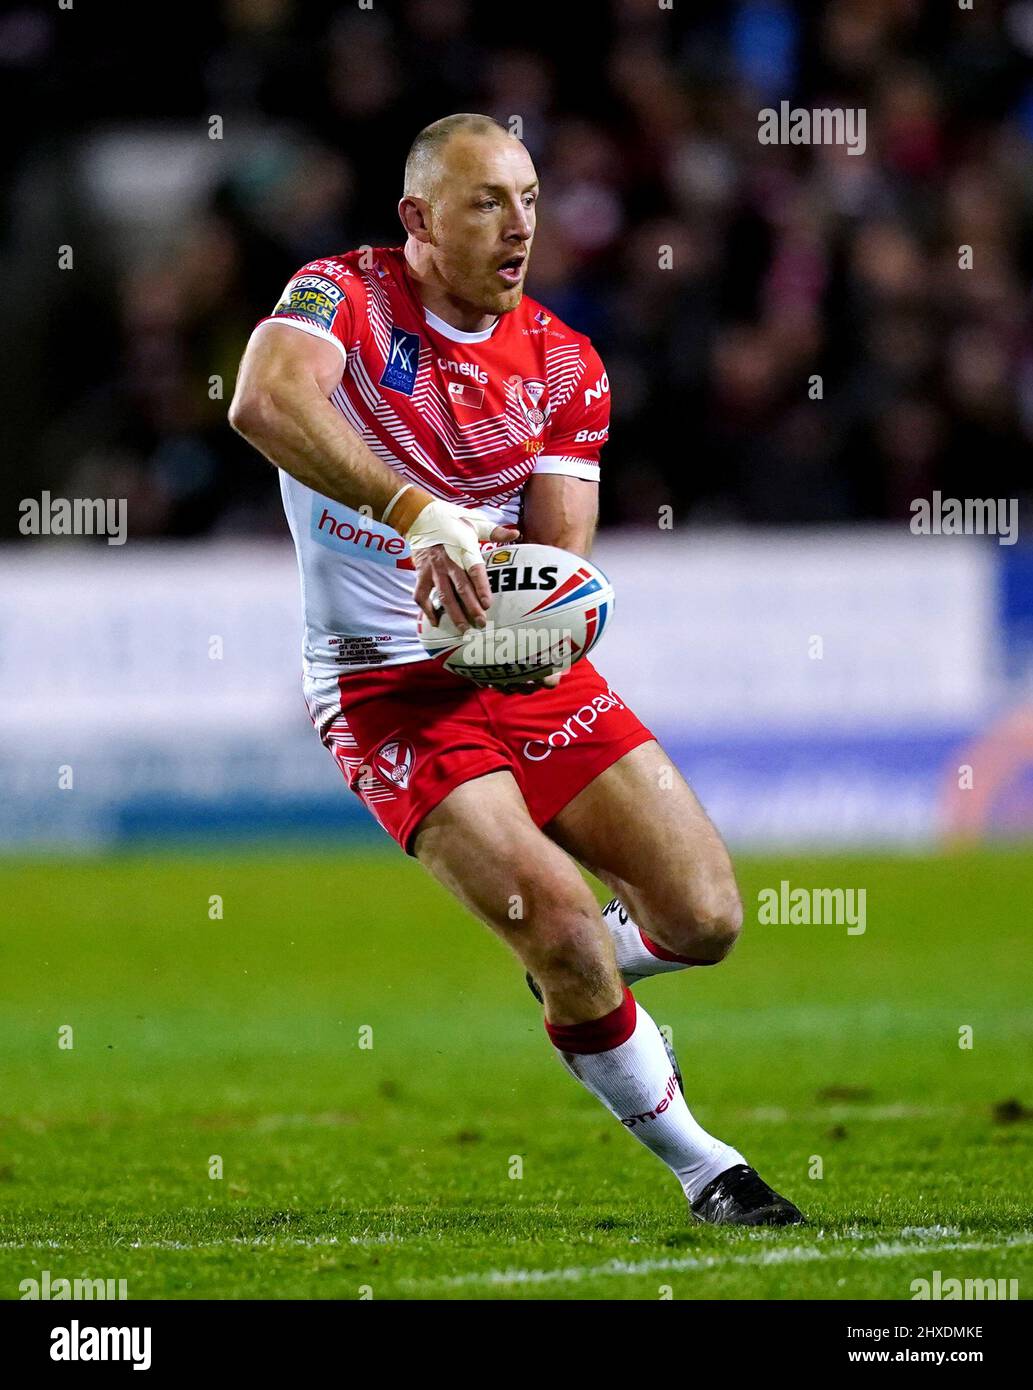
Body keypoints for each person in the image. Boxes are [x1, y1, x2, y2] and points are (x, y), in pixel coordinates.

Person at [229, 113, 804, 1226]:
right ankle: (708, 1169)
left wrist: (520, 611)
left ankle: (580, 979)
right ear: (417, 219)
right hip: (382, 686)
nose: (519, 226)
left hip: (505, 667)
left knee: (705, 919)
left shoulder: (563, 362)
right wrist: (417, 514)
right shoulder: (341, 295)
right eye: (487, 200)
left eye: (529, 199)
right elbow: (263, 400)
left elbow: (560, 554)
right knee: (557, 919)